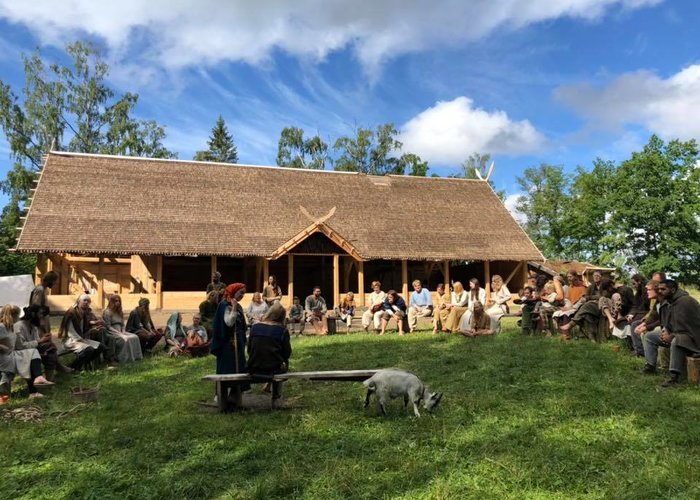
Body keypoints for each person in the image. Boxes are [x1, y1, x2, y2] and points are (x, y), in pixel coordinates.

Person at [644, 279, 700, 388]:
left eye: (663, 289)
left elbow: (688, 327)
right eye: (659, 289)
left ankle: (674, 376)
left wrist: (671, 336)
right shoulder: (671, 301)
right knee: (650, 336)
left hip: (694, 338)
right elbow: (670, 322)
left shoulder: (685, 302)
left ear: (673, 289)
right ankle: (650, 366)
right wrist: (666, 330)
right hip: (680, 333)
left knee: (676, 341)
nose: (660, 291)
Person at [0, 304, 51, 402]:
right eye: (17, 315)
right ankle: (34, 390)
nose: (18, 317)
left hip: (12, 355)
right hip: (4, 359)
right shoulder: (1, 327)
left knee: (32, 353)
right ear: (12, 315)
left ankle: (37, 381)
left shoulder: (10, 327)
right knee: (30, 356)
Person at [248, 303, 292, 409]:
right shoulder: (282, 331)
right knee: (280, 363)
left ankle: (269, 386)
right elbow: (287, 353)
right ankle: (276, 397)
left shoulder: (255, 327)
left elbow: (249, 349)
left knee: (272, 360)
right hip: (274, 368)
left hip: (254, 366)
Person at [211, 283, 250, 395]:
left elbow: (242, 323)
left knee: (239, 366)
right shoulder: (224, 305)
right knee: (227, 367)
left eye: (244, 294)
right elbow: (229, 322)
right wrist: (233, 307)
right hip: (227, 343)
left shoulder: (239, 306)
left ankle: (235, 394)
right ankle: (222, 395)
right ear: (233, 291)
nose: (242, 295)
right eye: (241, 293)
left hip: (239, 341)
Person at [14, 304, 63, 381]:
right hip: (20, 353)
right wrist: (40, 341)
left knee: (50, 349)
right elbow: (20, 346)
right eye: (40, 314)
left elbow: (37, 341)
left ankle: (50, 380)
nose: (41, 316)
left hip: (32, 350)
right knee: (47, 349)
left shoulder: (33, 326)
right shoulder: (19, 326)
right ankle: (41, 380)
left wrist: (44, 339)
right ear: (33, 315)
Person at [58, 294, 106, 372]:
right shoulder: (71, 313)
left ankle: (81, 364)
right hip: (70, 340)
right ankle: (73, 368)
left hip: (81, 339)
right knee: (89, 349)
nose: (86, 302)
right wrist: (81, 340)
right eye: (84, 300)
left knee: (101, 347)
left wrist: (92, 331)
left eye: (88, 301)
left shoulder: (83, 313)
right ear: (78, 301)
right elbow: (71, 332)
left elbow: (83, 330)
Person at [102, 295, 143, 364]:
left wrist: (123, 331)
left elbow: (123, 324)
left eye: (119, 301)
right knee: (125, 339)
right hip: (111, 331)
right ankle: (123, 358)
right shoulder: (107, 312)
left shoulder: (119, 312)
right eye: (116, 301)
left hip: (121, 330)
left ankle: (135, 357)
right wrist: (119, 333)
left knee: (134, 337)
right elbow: (108, 326)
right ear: (112, 302)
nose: (118, 303)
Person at [630, 280, 661, 357]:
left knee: (649, 333)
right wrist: (643, 324)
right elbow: (653, 315)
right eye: (647, 289)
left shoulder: (663, 301)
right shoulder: (656, 300)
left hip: (663, 325)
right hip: (655, 321)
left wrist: (646, 327)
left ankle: (650, 358)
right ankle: (640, 351)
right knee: (635, 324)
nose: (647, 292)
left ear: (657, 290)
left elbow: (662, 320)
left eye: (649, 290)